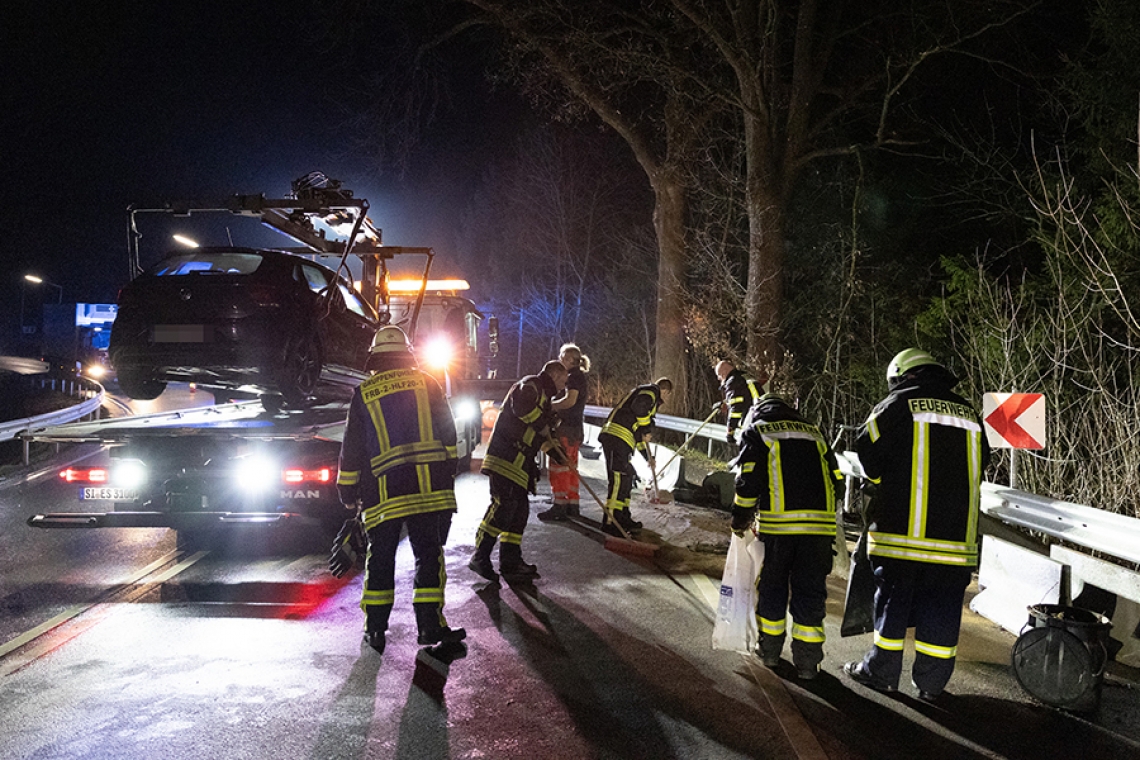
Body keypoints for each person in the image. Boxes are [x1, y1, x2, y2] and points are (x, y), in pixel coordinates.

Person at [843, 348, 990, 702]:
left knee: (893, 603)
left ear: (902, 376)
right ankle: (932, 685)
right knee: (941, 611)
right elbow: (983, 459)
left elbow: (867, 452)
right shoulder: (970, 413)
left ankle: (881, 672)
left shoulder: (896, 405)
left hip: (901, 537)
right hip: (956, 542)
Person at [336, 325, 466, 655]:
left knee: (380, 559)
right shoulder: (429, 383)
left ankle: (376, 629)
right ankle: (429, 626)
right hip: (427, 492)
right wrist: (446, 474)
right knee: (429, 556)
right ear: (407, 354)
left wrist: (347, 493)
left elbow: (352, 449)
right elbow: (448, 436)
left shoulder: (364, 394)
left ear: (375, 357)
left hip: (384, 496)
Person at [731, 393, 844, 680]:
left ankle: (770, 652)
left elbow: (748, 478)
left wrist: (741, 518)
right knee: (810, 591)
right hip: (819, 530)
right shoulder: (814, 431)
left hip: (779, 528)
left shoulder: (758, 430)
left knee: (773, 587)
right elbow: (837, 479)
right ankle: (808, 663)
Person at [469, 360, 569, 583]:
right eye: (563, 380)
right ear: (553, 374)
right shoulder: (531, 385)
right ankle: (480, 556)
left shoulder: (544, 398)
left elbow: (539, 436)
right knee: (504, 507)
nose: (564, 385)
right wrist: (544, 425)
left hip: (520, 464)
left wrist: (557, 452)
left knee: (519, 512)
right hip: (505, 458)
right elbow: (523, 409)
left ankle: (511, 561)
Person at [597, 377, 672, 536]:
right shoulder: (651, 392)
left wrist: (648, 457)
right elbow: (639, 409)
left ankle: (623, 517)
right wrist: (645, 429)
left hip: (623, 441)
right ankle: (611, 522)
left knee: (627, 477)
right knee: (618, 478)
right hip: (616, 438)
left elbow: (639, 438)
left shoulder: (648, 400)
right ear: (665, 391)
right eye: (667, 395)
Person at [538, 343, 591, 522]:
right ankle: (572, 504)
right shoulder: (580, 377)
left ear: (569, 359)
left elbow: (570, 401)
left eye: (561, 357)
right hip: (575, 430)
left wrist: (550, 405)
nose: (560, 360)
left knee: (558, 467)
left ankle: (559, 505)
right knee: (570, 468)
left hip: (566, 429)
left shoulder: (572, 378)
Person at [715, 360, 764, 451]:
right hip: (762, 418)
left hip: (751, 423)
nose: (719, 378)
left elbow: (736, 409)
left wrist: (730, 432)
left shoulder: (732, 381)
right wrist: (725, 404)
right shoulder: (744, 377)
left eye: (719, 375)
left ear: (725, 372)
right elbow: (746, 398)